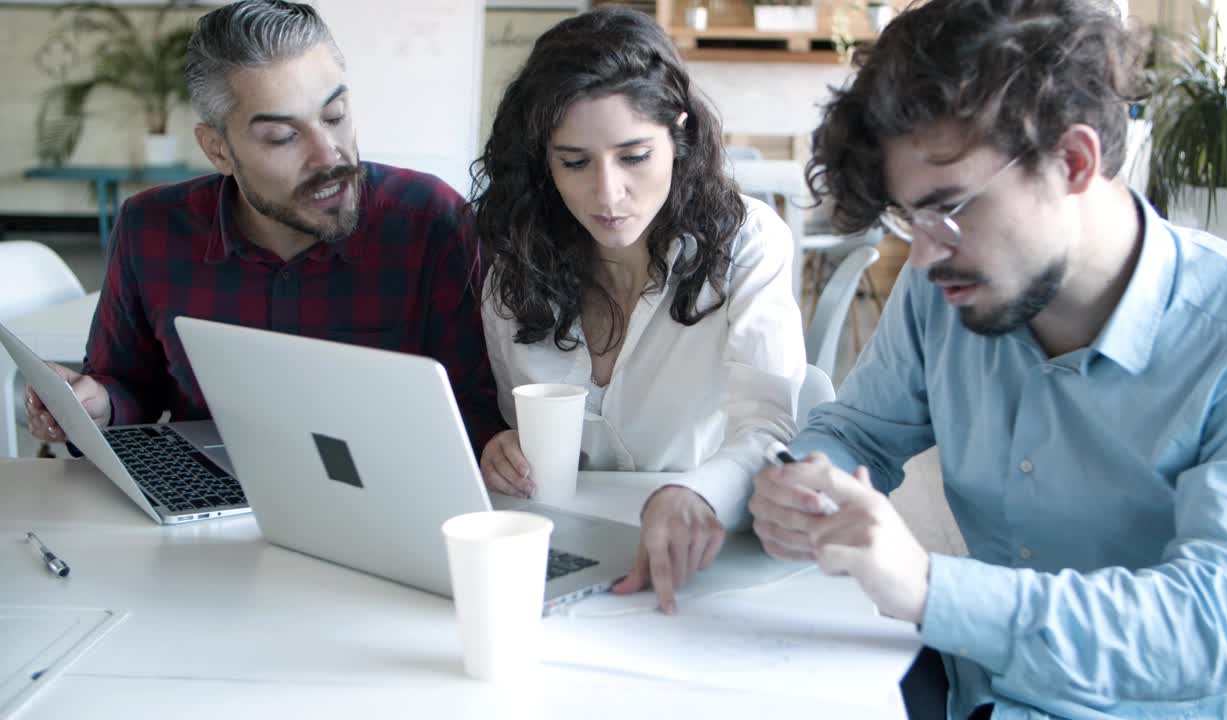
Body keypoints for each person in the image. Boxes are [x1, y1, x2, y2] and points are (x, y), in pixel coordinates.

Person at [748, 0, 1227, 718]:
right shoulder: (943, 283)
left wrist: (933, 589)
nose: (925, 253)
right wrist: (807, 481)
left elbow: (1214, 622)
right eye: (910, 218)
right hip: (971, 695)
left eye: (949, 207)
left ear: (1073, 160)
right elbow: (858, 433)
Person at [24, 0, 503, 456]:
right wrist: (97, 406)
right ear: (218, 151)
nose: (329, 155)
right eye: (283, 137)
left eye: (334, 116)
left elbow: (481, 411)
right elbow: (128, 384)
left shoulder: (432, 223)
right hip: (207, 510)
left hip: (393, 502)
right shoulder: (149, 228)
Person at [472, 8, 805, 614]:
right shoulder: (515, 268)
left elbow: (769, 427)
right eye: (574, 162)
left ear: (678, 133)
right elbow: (527, 444)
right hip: (566, 562)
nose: (607, 194)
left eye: (633, 156)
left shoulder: (748, 243)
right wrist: (502, 450)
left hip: (707, 560)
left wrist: (698, 495)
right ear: (543, 161)